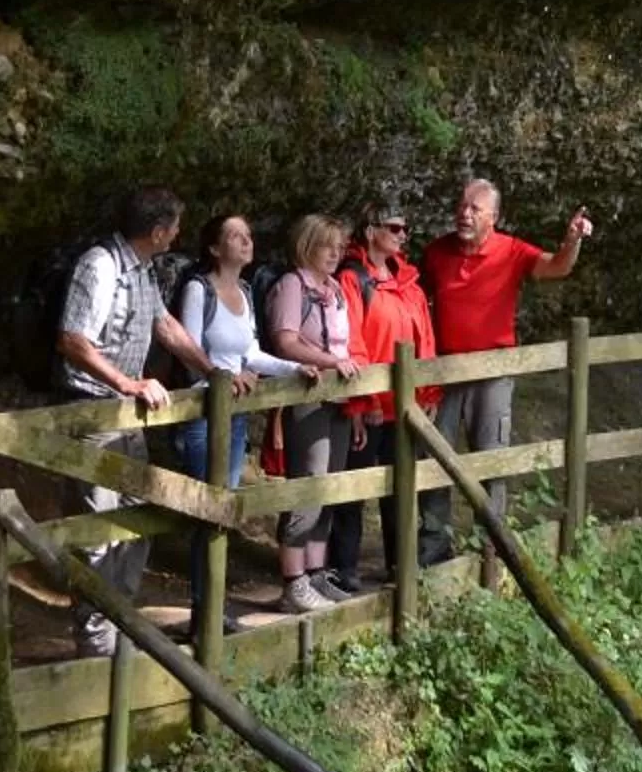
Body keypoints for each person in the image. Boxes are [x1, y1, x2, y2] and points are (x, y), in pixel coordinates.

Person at [54, 185, 214, 660]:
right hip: (93, 413)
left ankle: (118, 620)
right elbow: (73, 340)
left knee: (135, 517)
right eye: (175, 227)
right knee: (97, 526)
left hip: (128, 417)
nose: (179, 234)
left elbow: (164, 325)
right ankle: (95, 639)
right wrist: (128, 383)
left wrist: (213, 371)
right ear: (158, 231)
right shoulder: (100, 266)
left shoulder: (143, 270)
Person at [421, 177, 592, 526]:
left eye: (474, 208)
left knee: (492, 461)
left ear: (493, 216)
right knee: (433, 462)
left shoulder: (511, 250)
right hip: (444, 373)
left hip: (492, 373)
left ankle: (492, 547)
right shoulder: (436, 253)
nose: (464, 214)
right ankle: (432, 553)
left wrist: (572, 240)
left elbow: (558, 266)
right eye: (461, 206)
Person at [162, 212, 301, 640]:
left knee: (223, 515)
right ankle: (205, 612)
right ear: (214, 248)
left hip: (236, 417)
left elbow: (253, 353)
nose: (246, 241)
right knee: (210, 515)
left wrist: (296, 368)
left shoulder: (243, 290)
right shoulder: (197, 290)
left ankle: (212, 609)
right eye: (235, 235)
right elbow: (188, 349)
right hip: (204, 415)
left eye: (248, 234)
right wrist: (224, 379)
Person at [335, 204, 452, 585]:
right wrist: (360, 401)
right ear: (370, 231)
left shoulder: (409, 285)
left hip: (405, 406)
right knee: (355, 489)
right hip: (370, 406)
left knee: (400, 487)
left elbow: (426, 340)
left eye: (406, 228)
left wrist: (430, 391)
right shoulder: (352, 280)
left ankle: (400, 565)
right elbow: (353, 340)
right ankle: (345, 569)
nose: (403, 235)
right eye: (395, 227)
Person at [266, 214, 364, 614]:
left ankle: (316, 573)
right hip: (307, 395)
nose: (336, 254)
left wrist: (356, 407)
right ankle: (293, 582)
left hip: (339, 400)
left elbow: (346, 347)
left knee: (330, 488)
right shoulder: (292, 285)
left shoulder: (336, 289)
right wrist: (326, 361)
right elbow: (284, 341)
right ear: (308, 244)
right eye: (329, 246)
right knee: (309, 484)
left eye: (340, 248)